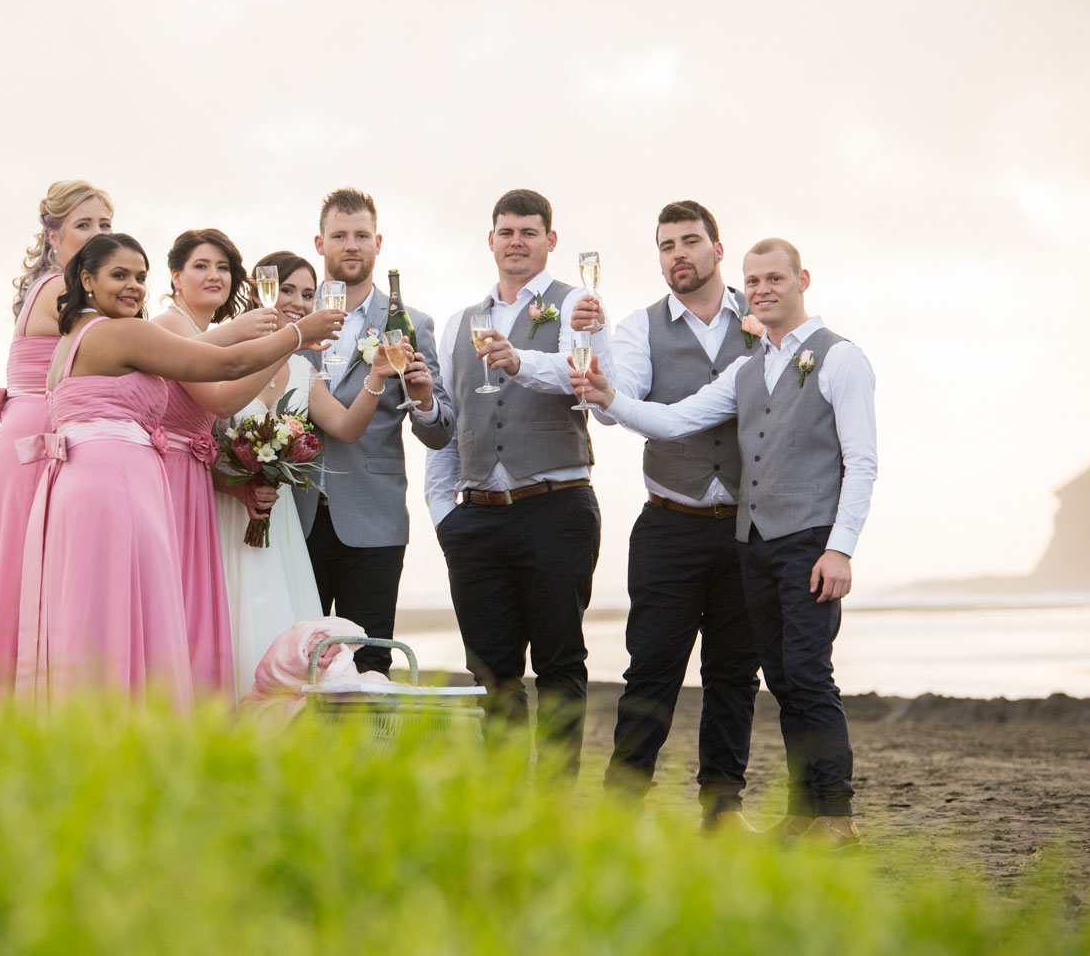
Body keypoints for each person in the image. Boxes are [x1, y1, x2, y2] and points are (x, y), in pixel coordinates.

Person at [571, 237, 877, 846]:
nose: (762, 289)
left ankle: (835, 819)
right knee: (786, 680)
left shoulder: (841, 358)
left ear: (802, 280)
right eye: (754, 280)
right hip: (755, 547)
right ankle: (799, 816)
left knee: (808, 678)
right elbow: (680, 418)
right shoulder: (752, 364)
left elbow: (861, 462)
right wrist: (611, 400)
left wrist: (840, 548)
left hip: (810, 544)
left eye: (774, 279)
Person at [14, 234, 343, 703]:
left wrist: (251, 328)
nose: (134, 288)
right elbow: (224, 366)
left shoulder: (73, 340)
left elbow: (202, 348)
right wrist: (297, 335)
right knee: (133, 615)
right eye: (119, 276)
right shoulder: (123, 333)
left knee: (94, 617)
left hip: (76, 487)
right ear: (86, 280)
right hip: (117, 487)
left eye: (140, 277)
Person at [569, 201, 761, 828]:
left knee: (734, 673)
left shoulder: (761, 321)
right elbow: (611, 405)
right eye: (666, 245)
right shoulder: (637, 328)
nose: (678, 254)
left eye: (689, 241)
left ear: (717, 248)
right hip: (669, 524)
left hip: (744, 526)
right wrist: (600, 379)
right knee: (651, 669)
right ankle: (621, 805)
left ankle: (722, 808)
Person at [424, 189, 605, 775]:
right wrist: (445, 515)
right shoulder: (458, 324)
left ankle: (553, 807)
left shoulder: (576, 305)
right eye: (507, 232)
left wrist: (519, 362)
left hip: (555, 507)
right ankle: (505, 807)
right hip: (475, 518)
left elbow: (588, 382)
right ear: (491, 241)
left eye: (529, 232)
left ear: (550, 241)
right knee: (491, 674)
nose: (517, 242)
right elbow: (449, 423)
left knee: (558, 665)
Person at [0, 180, 113, 699]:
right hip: (32, 451)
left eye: (105, 225)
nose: (96, 236)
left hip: (31, 441)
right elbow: (131, 347)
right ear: (53, 232)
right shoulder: (61, 290)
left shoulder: (61, 285)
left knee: (34, 588)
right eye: (84, 225)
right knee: (23, 591)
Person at [217, 250, 405, 698]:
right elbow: (200, 444)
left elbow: (346, 427)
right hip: (225, 518)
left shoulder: (304, 369)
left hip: (280, 530)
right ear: (260, 291)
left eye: (307, 293)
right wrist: (235, 484)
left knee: (284, 636)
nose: (300, 302)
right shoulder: (223, 354)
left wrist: (376, 376)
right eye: (287, 290)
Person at [292, 188, 455, 676]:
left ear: (378, 242)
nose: (351, 245)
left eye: (361, 235)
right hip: (293, 516)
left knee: (370, 663)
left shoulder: (409, 322)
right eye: (339, 235)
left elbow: (442, 429)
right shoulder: (293, 317)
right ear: (319, 243)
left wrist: (424, 401)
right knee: (297, 660)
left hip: (374, 517)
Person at [152, 229, 282, 696]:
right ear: (176, 276)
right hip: (164, 482)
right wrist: (289, 341)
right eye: (201, 266)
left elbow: (205, 433)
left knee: (195, 602)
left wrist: (236, 485)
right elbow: (223, 400)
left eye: (223, 267)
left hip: (194, 485)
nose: (214, 275)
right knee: (172, 601)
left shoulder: (204, 334)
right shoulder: (169, 324)